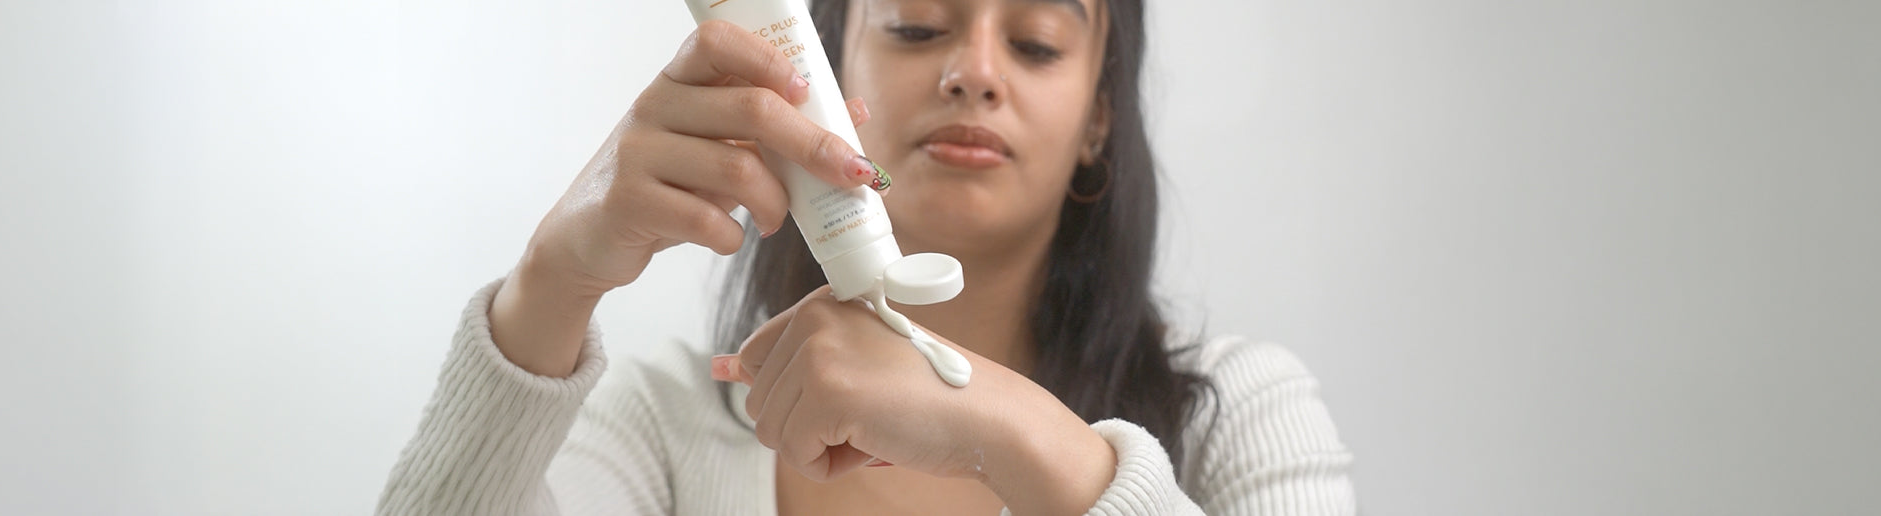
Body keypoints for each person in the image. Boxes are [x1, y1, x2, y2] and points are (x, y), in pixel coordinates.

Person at [379, 1, 1356, 515]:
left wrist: (1008, 431)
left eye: (1036, 43)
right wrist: (553, 280)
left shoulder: (1239, 412)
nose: (973, 71)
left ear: (1098, 119)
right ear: (825, 67)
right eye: (916, 27)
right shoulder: (664, 429)